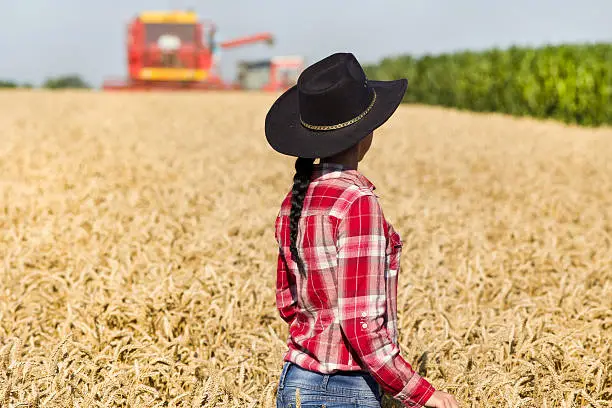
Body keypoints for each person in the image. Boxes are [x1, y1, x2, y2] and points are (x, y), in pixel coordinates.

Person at [264, 53, 460, 408]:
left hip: (294, 382)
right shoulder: (357, 203)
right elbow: (361, 327)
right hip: (343, 391)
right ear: (364, 132)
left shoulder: (295, 198)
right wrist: (424, 394)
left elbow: (287, 303)